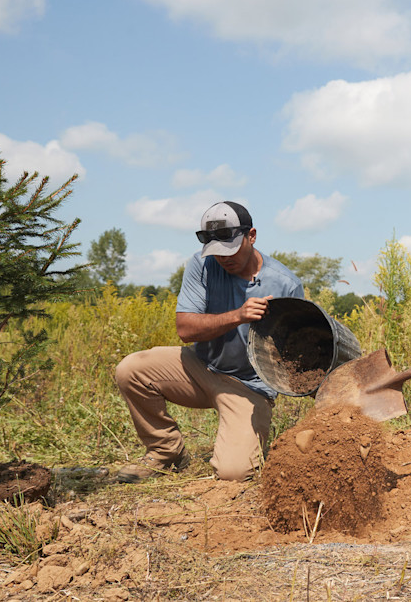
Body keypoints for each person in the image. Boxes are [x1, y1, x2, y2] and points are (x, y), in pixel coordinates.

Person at [114, 201, 304, 482]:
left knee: (234, 472)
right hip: (200, 368)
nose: (224, 259)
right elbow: (185, 329)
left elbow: (297, 352)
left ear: (251, 236)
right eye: (216, 252)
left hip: (248, 386)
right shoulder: (201, 264)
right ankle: (166, 451)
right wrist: (238, 316)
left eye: (231, 250)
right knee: (131, 369)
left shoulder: (285, 285)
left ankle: (240, 439)